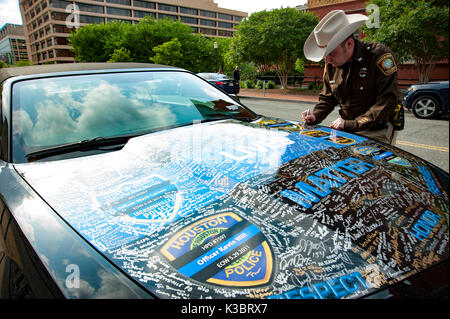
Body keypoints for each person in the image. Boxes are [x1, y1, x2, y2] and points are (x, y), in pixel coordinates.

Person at [301, 10, 400, 144]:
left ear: (349, 44)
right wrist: (315, 115)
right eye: (325, 54)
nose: (327, 59)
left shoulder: (378, 56)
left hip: (376, 129)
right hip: (346, 129)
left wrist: (353, 124)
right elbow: (328, 97)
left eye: (331, 53)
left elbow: (387, 101)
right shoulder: (331, 63)